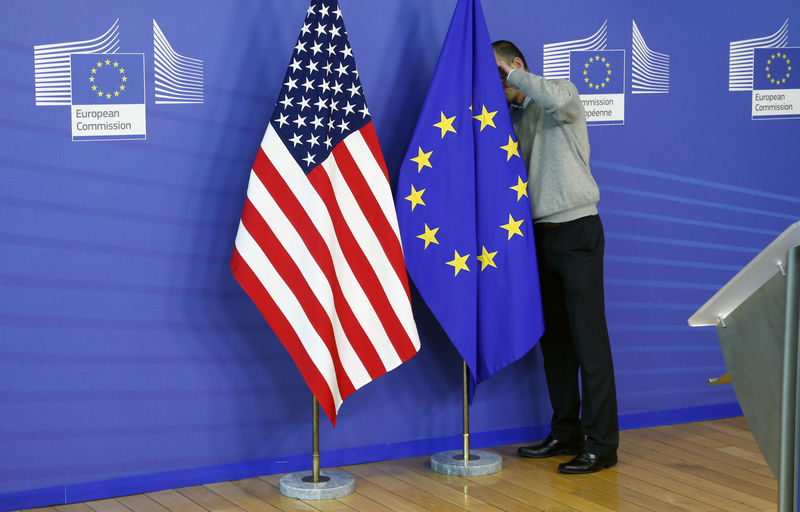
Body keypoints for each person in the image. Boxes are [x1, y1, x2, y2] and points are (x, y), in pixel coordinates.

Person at [492, 40, 619, 474]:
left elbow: (556, 96)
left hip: (578, 228)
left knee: (589, 342)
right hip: (538, 236)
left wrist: (510, 75)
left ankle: (602, 444)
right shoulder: (511, 119)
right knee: (557, 344)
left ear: (518, 67)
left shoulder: (560, 96)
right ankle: (566, 432)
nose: (499, 84)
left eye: (500, 74)